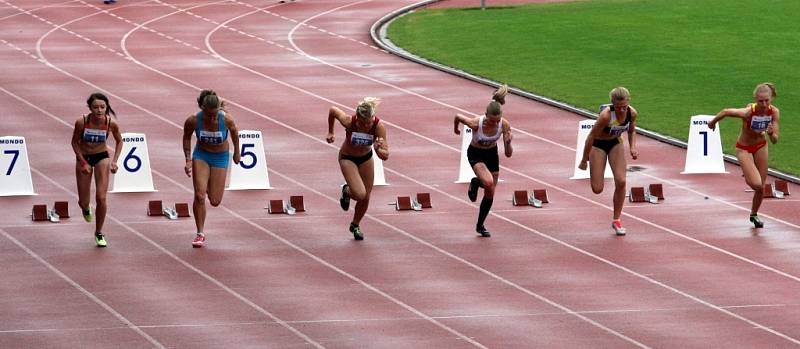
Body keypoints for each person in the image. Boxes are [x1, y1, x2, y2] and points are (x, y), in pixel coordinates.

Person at [708, 83, 780, 228]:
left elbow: (774, 140)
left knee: (761, 187)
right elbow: (726, 111)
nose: (764, 104)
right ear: (755, 99)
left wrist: (772, 133)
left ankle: (754, 214)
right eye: (761, 101)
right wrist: (713, 122)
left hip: (761, 146)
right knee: (756, 183)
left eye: (767, 100)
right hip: (744, 148)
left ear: (771, 98)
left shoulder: (774, 112)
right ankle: (747, 173)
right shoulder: (748, 112)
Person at [453, 85, 513, 237]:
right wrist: (456, 129)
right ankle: (476, 182)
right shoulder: (475, 123)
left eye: (497, 121)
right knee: (488, 182)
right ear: (486, 115)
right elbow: (458, 117)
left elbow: (508, 155)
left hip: (492, 154)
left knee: (490, 191)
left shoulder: (504, 124)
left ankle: (480, 225)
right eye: (492, 121)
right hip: (476, 153)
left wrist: (508, 142)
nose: (495, 124)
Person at [182, 90, 240, 248]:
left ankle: (207, 183)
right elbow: (186, 137)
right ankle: (199, 233)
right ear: (202, 109)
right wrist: (188, 159)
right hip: (201, 155)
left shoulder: (226, 119)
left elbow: (235, 133)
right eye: (210, 115)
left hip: (220, 157)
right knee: (200, 195)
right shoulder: (193, 120)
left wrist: (237, 153)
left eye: (215, 114)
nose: (213, 118)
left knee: (214, 201)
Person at [578, 87, 639, 236]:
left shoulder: (632, 113)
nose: (622, 110)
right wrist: (584, 159)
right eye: (618, 108)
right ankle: (594, 168)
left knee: (621, 181)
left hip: (615, 143)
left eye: (624, 106)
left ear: (628, 102)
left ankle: (616, 219)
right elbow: (590, 137)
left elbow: (631, 130)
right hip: (598, 145)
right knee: (597, 189)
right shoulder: (605, 116)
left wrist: (632, 147)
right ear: (612, 104)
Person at [327, 97, 389, 240]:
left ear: (373, 118)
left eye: (369, 123)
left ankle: (355, 224)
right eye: (363, 123)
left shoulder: (379, 127)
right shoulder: (349, 121)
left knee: (366, 197)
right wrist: (331, 132)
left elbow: (385, 156)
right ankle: (346, 191)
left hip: (366, 158)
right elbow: (332, 110)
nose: (366, 126)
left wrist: (378, 150)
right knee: (359, 194)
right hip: (347, 157)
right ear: (358, 119)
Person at [71, 92, 123, 247]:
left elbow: (120, 141)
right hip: (84, 158)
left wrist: (114, 161)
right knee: (84, 201)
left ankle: (99, 232)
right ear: (90, 108)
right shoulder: (82, 122)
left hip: (102, 156)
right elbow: (74, 143)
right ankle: (86, 208)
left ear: (106, 107)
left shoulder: (110, 123)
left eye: (102, 107)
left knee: (101, 197)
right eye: (95, 107)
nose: (99, 111)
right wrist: (82, 162)